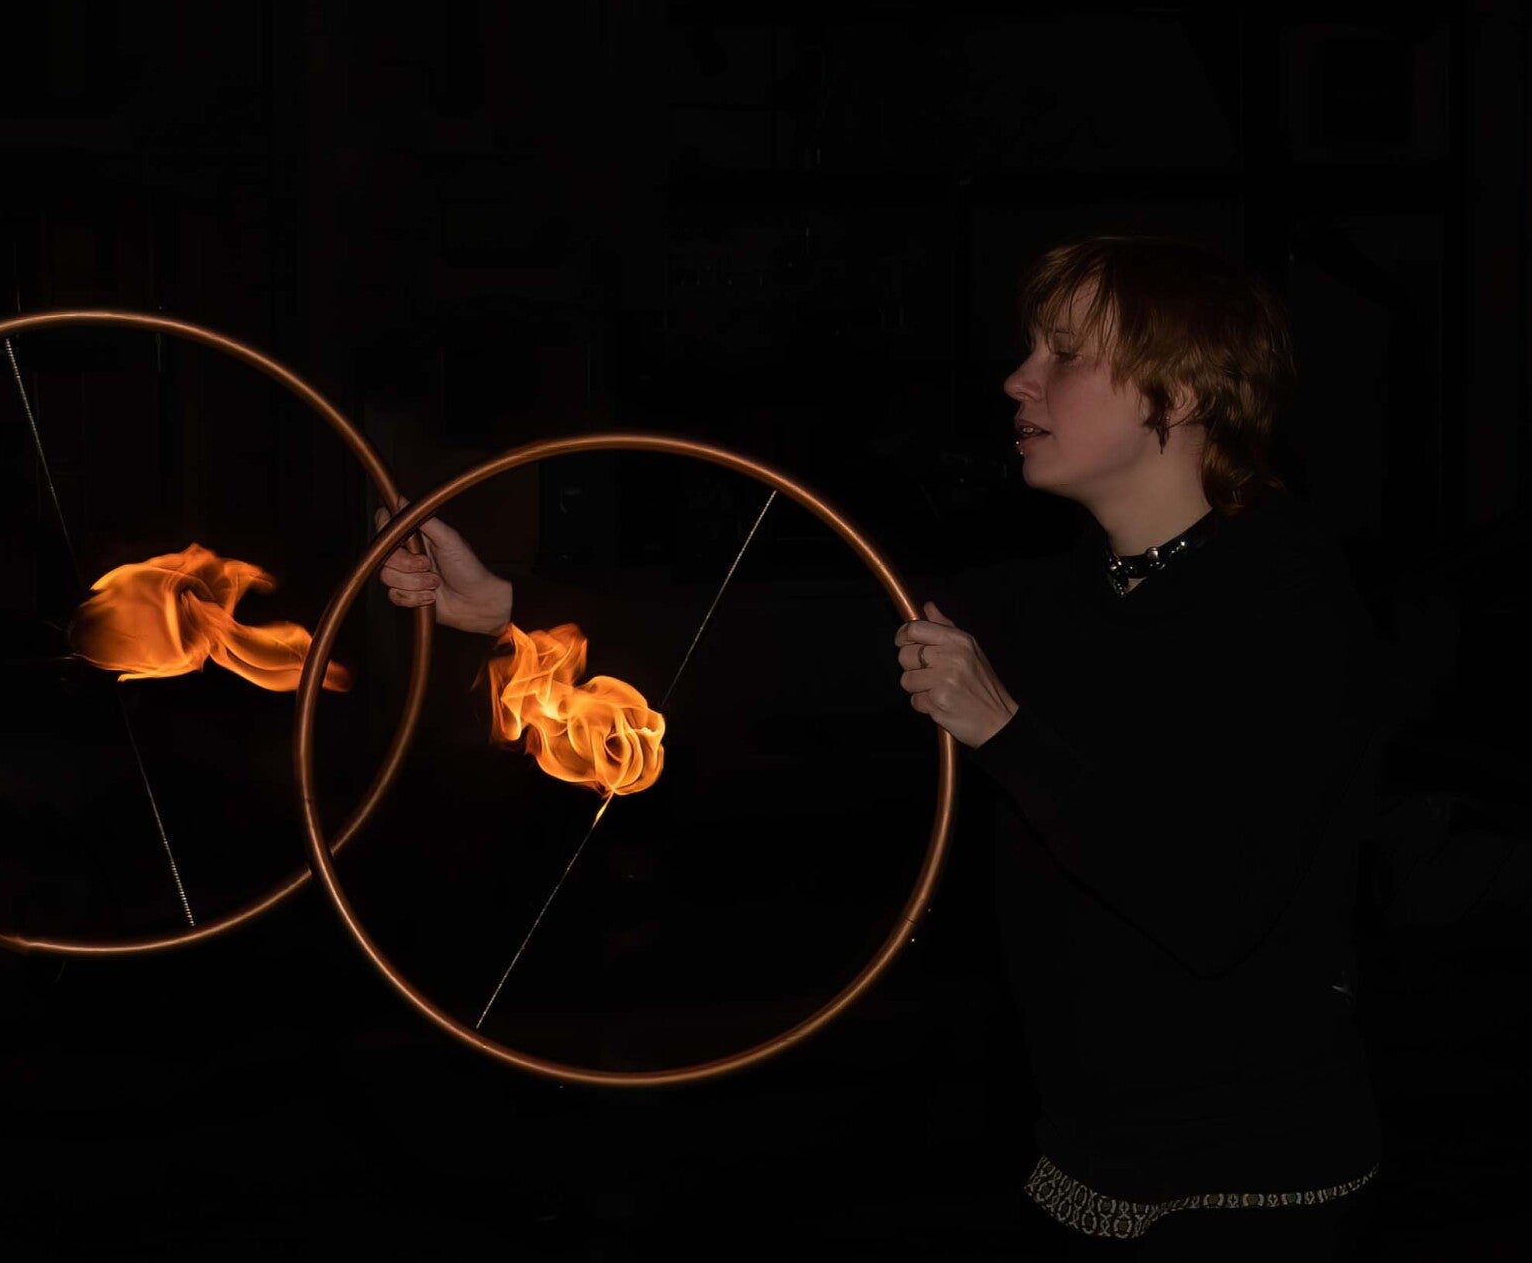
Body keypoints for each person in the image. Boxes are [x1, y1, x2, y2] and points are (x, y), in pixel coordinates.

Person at [375, 235, 1387, 1260]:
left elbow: (1212, 907)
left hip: (1257, 1196)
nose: (1018, 377)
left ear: (1181, 390)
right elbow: (789, 644)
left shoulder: (1289, 607)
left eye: (1065, 353)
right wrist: (511, 607)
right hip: (1079, 1173)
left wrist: (1005, 732)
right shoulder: (1052, 598)